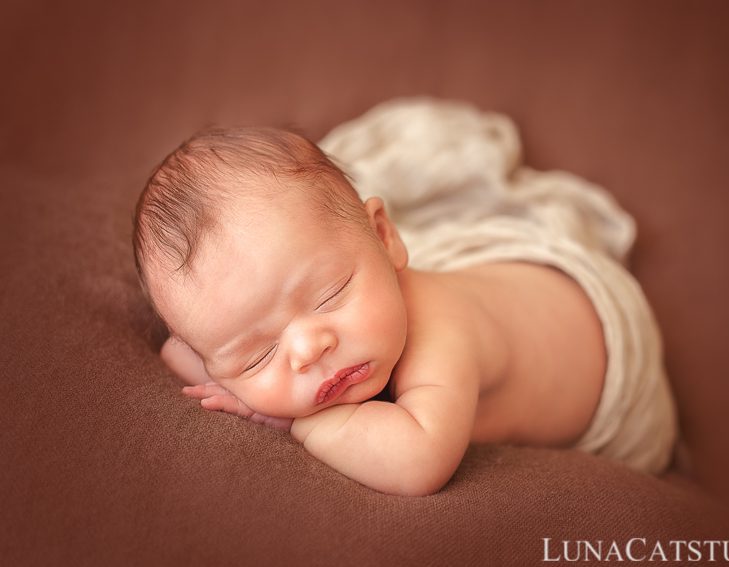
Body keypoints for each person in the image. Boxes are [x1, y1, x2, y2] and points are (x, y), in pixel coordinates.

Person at [133, 106, 676, 496]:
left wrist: (293, 421)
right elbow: (182, 356)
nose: (307, 349)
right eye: (255, 354)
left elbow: (418, 462)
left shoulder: (442, 334)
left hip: (602, 345)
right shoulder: (343, 325)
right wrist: (236, 370)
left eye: (330, 294)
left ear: (387, 239)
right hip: (480, 288)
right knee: (320, 245)